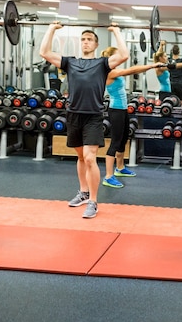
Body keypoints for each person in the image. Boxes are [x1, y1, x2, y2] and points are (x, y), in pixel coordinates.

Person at [40, 23, 129, 219]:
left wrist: (116, 32)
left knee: (90, 158)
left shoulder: (102, 63)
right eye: (83, 39)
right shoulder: (70, 62)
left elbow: (124, 55)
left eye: (89, 39)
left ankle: (94, 202)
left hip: (93, 115)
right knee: (80, 158)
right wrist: (52, 29)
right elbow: (44, 52)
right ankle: (83, 192)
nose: (85, 42)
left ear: (96, 45)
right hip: (73, 114)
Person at [100, 46, 166, 188]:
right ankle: (108, 176)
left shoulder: (115, 71)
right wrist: (152, 65)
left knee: (123, 139)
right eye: (117, 56)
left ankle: (120, 167)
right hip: (115, 110)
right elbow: (132, 70)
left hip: (123, 110)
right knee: (115, 142)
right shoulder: (110, 72)